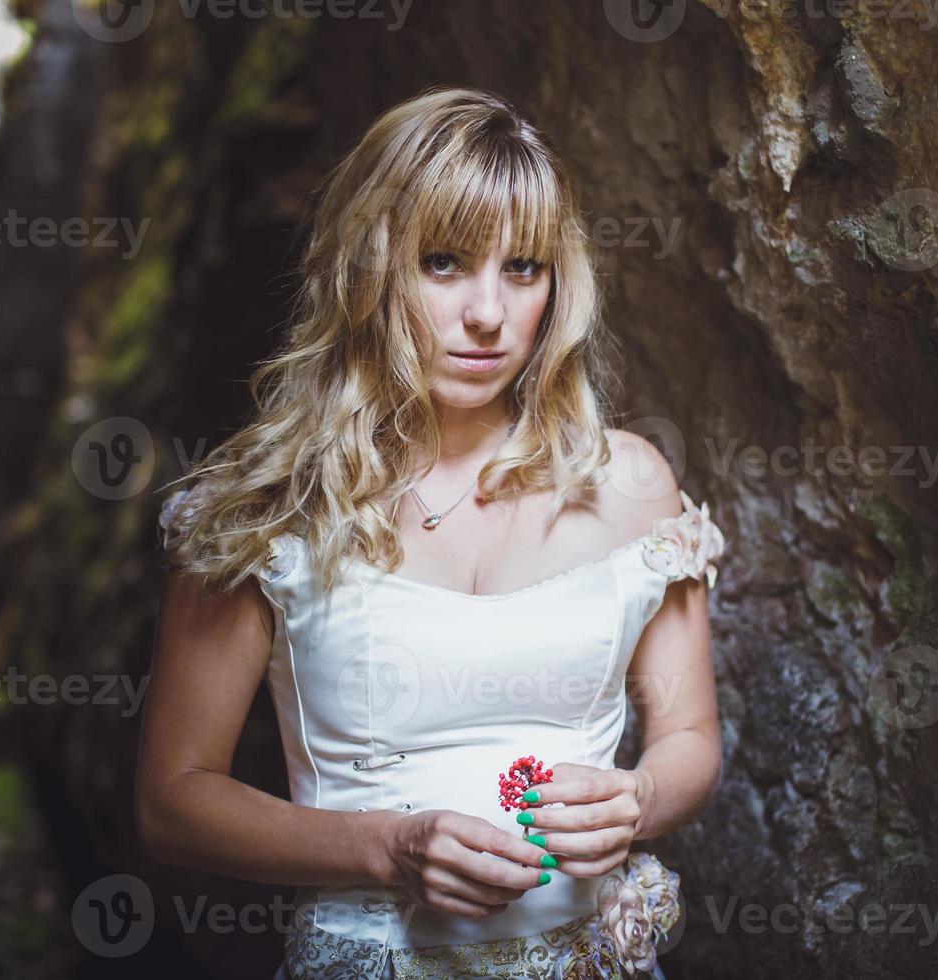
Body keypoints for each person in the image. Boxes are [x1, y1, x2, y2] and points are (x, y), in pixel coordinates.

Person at [136, 85, 726, 979]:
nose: (488, 313)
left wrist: (637, 797)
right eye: (444, 262)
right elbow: (173, 803)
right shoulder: (263, 502)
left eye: (523, 267)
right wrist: (386, 850)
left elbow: (689, 735)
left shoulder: (632, 482)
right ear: (370, 268)